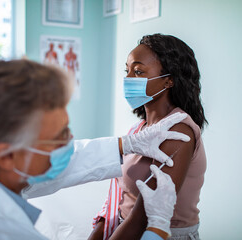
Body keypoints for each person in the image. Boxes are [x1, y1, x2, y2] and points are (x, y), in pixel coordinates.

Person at [0, 59, 189, 239]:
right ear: (6, 155)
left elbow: (62, 159)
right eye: (59, 137)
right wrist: (156, 229)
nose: (70, 142)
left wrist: (125, 144)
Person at [90, 34, 207, 240]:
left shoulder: (178, 131)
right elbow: (118, 199)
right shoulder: (138, 130)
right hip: (122, 228)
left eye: (138, 71)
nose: (128, 79)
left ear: (169, 80)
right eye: (127, 71)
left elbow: (141, 219)